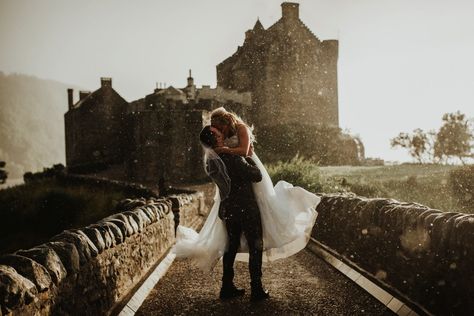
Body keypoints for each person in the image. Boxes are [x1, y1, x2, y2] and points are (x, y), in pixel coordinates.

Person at [200, 125, 269, 301]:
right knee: (255, 245)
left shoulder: (211, 161)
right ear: (215, 139)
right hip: (246, 207)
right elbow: (256, 175)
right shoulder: (231, 157)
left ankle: (226, 286)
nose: (221, 134)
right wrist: (250, 156)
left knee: (231, 246)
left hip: (229, 208)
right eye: (216, 133)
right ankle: (256, 289)